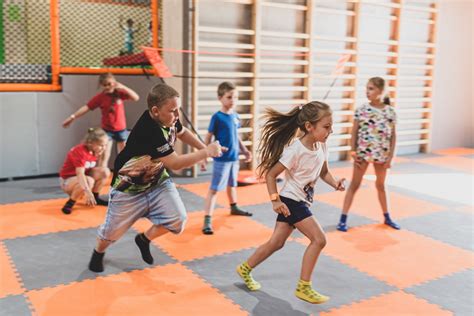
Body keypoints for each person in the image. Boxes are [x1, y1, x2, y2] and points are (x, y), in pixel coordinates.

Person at [88, 83, 223, 273]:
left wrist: (203, 149)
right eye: (172, 111)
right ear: (155, 111)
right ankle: (98, 253)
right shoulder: (149, 130)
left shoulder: (168, 119)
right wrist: (207, 151)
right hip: (128, 189)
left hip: (156, 181)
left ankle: (143, 239)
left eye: (178, 110)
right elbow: (175, 163)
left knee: (178, 220)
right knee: (110, 233)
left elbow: (183, 133)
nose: (176, 115)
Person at [236, 101, 345, 304]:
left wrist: (335, 183)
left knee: (276, 243)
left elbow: (324, 172)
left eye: (331, 126)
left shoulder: (321, 145)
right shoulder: (295, 149)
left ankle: (245, 268)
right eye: (326, 126)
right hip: (292, 201)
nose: (331, 130)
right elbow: (271, 175)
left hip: (299, 200)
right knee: (319, 239)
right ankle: (304, 287)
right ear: (309, 127)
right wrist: (275, 201)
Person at [337, 77, 400, 232]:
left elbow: (393, 136)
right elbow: (354, 132)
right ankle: (343, 219)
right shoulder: (362, 110)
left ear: (381, 91)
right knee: (354, 185)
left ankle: (387, 216)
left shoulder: (390, 112)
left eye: (371, 88)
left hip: (382, 155)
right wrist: (353, 151)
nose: (367, 91)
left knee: (381, 186)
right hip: (363, 154)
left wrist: (390, 157)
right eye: (367, 88)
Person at [202, 82, 253, 235]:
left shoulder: (235, 116)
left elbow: (236, 136)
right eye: (229, 97)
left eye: (235, 97)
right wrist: (204, 154)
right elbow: (209, 136)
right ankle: (207, 219)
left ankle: (234, 206)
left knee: (232, 184)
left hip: (234, 159)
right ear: (220, 98)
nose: (233, 100)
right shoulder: (217, 117)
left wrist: (245, 151)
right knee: (214, 189)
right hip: (221, 160)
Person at [62, 73, 139, 167]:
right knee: (105, 155)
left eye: (109, 84)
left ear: (114, 83)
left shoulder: (119, 94)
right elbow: (86, 107)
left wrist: (123, 87)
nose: (107, 87)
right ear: (101, 85)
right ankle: (102, 173)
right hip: (107, 130)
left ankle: (122, 175)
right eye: (104, 85)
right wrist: (72, 117)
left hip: (121, 129)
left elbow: (136, 97)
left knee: (123, 154)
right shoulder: (100, 97)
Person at [59, 128, 110, 214]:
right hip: (67, 181)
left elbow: (98, 171)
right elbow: (80, 173)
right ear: (90, 143)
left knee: (105, 171)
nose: (104, 148)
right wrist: (88, 192)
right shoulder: (80, 152)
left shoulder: (95, 151)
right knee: (89, 181)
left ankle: (95, 198)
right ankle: (70, 203)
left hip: (83, 176)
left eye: (105, 145)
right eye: (101, 145)